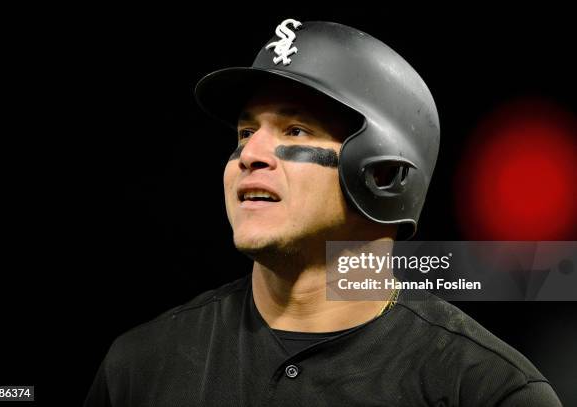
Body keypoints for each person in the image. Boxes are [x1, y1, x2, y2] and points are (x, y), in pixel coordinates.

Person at [84, 19, 562, 406]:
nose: (251, 153)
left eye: (294, 130)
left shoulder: (485, 390)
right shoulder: (140, 367)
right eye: (245, 132)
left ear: (385, 173)